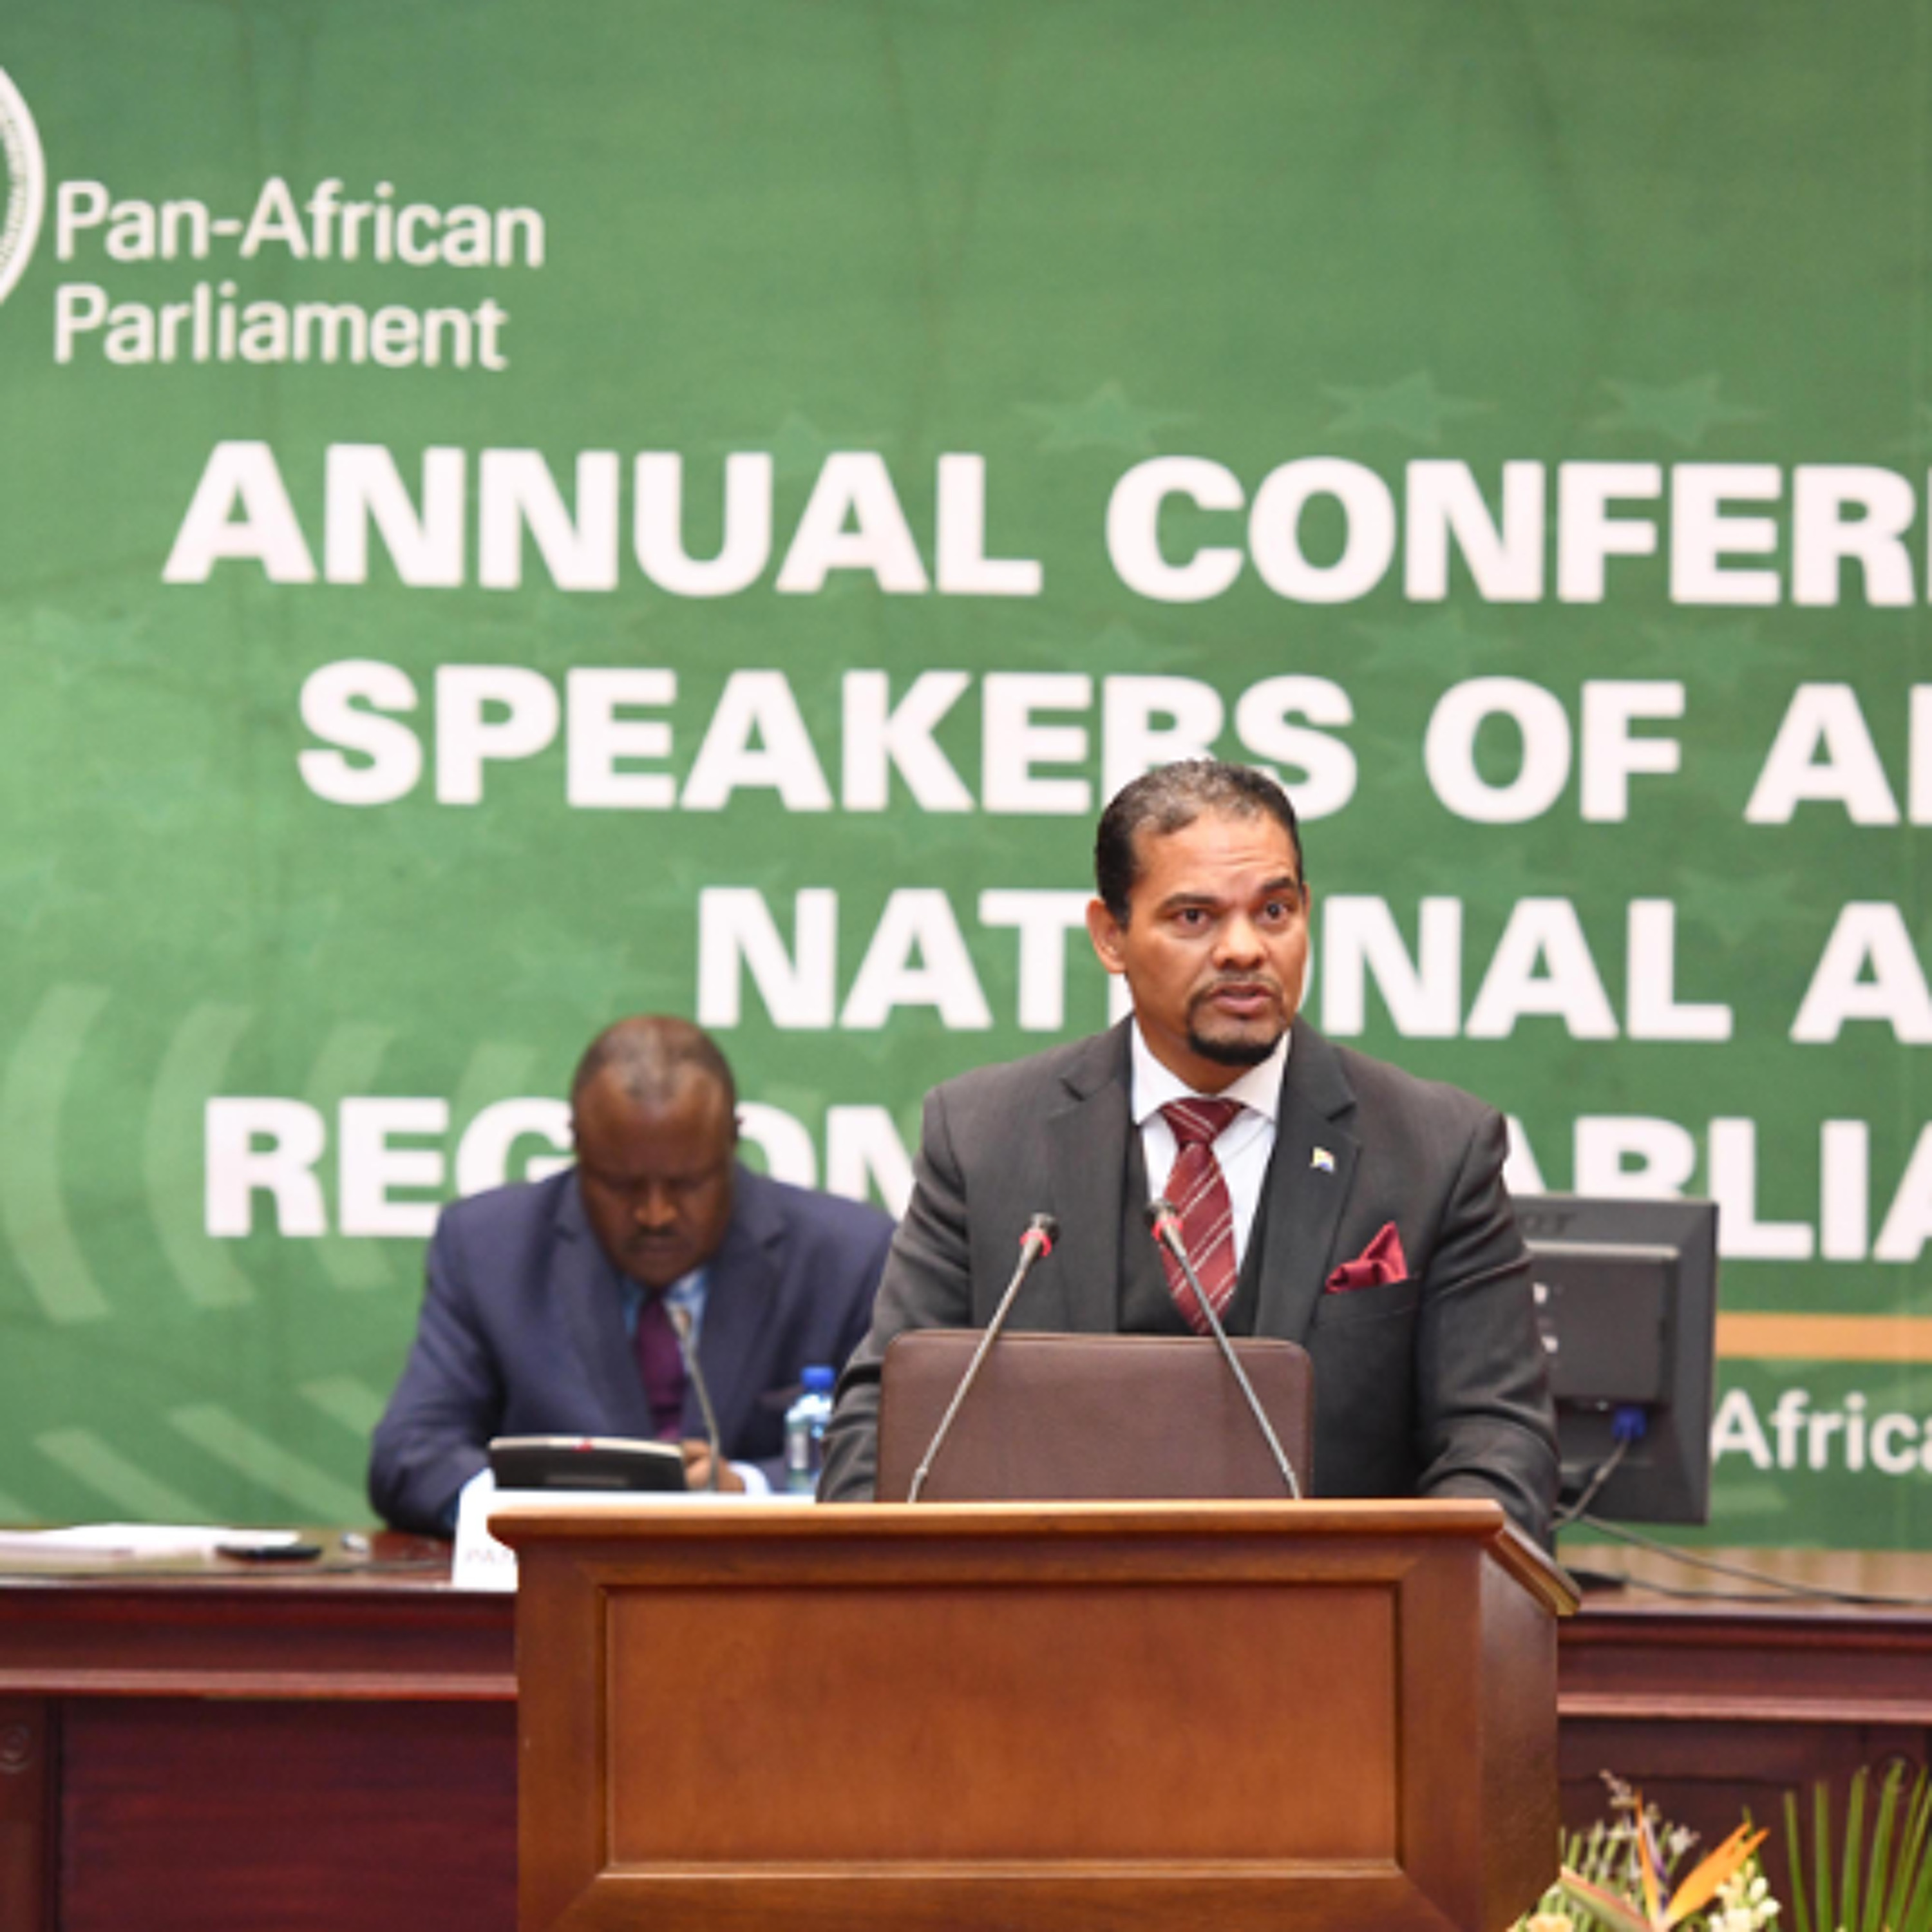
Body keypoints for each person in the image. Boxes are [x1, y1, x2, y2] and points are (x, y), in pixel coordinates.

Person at [819, 759, 1559, 1543]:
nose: (1245, 949)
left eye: (1273, 911)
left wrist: (1404, 1601)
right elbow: (887, 1429)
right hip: (1040, 1630)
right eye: (1195, 918)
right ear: (1112, 936)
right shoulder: (983, 1137)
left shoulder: (1436, 1150)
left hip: (1326, 1638)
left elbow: (1497, 1448)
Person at [370, 1016, 895, 1534]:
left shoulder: (848, 1256)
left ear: (731, 1142)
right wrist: (526, 1513)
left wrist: (750, 1492)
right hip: (554, 1602)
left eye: (688, 1184)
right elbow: (413, 1452)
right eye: (621, 1186)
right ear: (577, 1145)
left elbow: (895, 1459)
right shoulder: (490, 1248)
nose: (656, 1214)